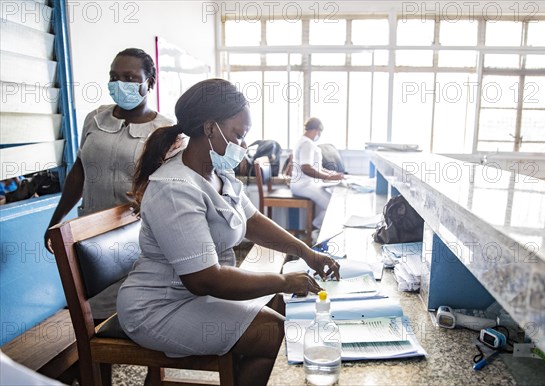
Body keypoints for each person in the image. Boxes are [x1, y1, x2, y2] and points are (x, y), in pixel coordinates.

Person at [116, 79, 340, 386]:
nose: (244, 145)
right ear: (209, 128)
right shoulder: (175, 189)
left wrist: (306, 252)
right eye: (238, 134)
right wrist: (284, 280)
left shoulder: (218, 173)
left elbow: (253, 221)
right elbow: (203, 279)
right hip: (158, 307)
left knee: (279, 306)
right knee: (274, 331)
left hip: (195, 296)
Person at [43, 48, 173, 320]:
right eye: (114, 77)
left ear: (149, 83)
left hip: (135, 236)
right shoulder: (95, 118)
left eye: (129, 77)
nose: (119, 84)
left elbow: (169, 188)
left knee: (133, 310)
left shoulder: (164, 131)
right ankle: (96, 361)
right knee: (92, 311)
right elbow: (79, 173)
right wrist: (56, 221)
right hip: (89, 232)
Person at [289, 118, 344, 235]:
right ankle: (313, 228)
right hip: (303, 184)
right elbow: (306, 168)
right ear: (315, 130)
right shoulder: (306, 144)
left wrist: (332, 174)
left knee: (333, 202)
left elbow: (316, 167)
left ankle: (316, 229)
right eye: (319, 132)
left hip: (308, 183)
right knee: (332, 206)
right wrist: (329, 177)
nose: (319, 135)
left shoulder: (307, 142)